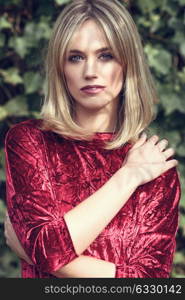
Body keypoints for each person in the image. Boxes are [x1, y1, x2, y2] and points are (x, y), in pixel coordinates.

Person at [4, 0, 181, 278]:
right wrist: (128, 177)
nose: (90, 71)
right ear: (61, 68)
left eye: (105, 55)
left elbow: (150, 284)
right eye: (75, 57)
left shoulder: (155, 169)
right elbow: (46, 249)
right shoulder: (30, 142)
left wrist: (40, 255)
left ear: (127, 63)